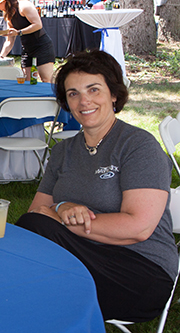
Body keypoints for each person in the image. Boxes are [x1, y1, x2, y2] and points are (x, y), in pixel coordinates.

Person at [15, 50, 176, 322]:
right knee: (30, 236)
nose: (83, 100)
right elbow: (37, 213)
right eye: (73, 93)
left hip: (139, 270)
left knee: (29, 261)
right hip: (80, 256)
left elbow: (139, 228)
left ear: (114, 94)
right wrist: (63, 206)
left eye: (93, 89)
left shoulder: (138, 146)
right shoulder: (63, 151)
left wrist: (61, 219)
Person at [0, 0, 55, 83]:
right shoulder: (8, 15)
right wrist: (1, 58)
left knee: (46, 79)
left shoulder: (24, 6)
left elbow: (38, 25)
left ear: (4, 1)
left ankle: (52, 97)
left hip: (42, 46)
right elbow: (9, 41)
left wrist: (18, 32)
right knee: (25, 81)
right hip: (27, 48)